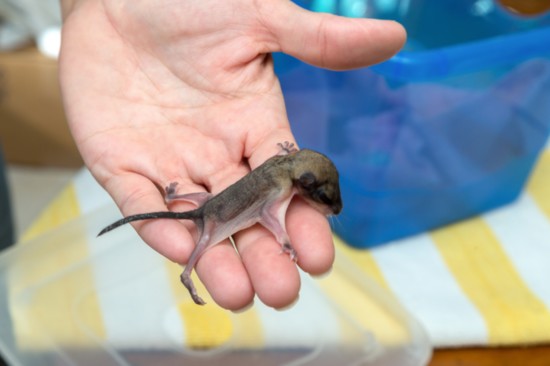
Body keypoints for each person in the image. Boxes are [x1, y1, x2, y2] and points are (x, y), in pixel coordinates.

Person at [58, 0, 406, 310]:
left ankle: (177, 198)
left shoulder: (284, 164)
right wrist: (284, 241)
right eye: (324, 198)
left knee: (209, 207)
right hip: (217, 212)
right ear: (304, 182)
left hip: (218, 199)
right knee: (204, 232)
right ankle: (188, 274)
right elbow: (270, 216)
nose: (329, 206)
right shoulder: (280, 184)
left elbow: (279, 177)